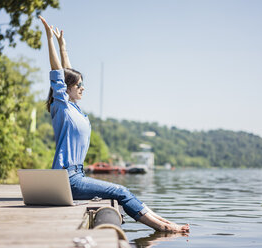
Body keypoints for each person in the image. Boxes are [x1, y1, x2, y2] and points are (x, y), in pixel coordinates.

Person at [39, 16, 189, 233]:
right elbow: (59, 74)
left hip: (76, 175)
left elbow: (69, 73)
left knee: (123, 191)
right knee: (121, 191)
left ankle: (165, 223)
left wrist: (64, 47)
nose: (83, 88)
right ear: (67, 89)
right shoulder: (62, 107)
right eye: (79, 85)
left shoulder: (75, 108)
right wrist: (49, 39)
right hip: (66, 178)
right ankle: (164, 228)